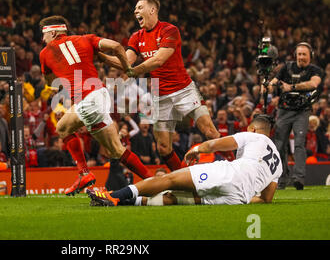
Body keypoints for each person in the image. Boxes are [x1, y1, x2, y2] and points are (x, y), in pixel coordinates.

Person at [98, 0, 220, 173]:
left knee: (210, 132)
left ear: (152, 10)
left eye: (139, 7)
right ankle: (185, 181)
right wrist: (101, 57)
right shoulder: (136, 37)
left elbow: (158, 60)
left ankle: (236, 168)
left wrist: (134, 71)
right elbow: (125, 61)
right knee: (163, 148)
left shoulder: (170, 30)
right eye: (135, 9)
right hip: (160, 96)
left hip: (184, 90)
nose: (135, 11)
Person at [39, 15, 153, 196]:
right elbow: (116, 46)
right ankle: (153, 181)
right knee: (116, 150)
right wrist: (128, 69)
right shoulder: (86, 38)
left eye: (43, 35)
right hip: (100, 94)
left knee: (62, 128)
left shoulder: (45, 53)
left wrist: (59, 84)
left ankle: (84, 173)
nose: (42, 39)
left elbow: (52, 82)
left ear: (52, 32)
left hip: (87, 100)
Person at [87, 115, 282, 206]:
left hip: (229, 175)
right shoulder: (278, 163)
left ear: (252, 128)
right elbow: (266, 199)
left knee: (171, 180)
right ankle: (121, 203)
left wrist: (197, 149)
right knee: (178, 200)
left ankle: (114, 195)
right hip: (238, 198)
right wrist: (244, 196)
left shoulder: (253, 136)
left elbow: (215, 144)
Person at [266, 42, 324, 190]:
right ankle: (281, 178)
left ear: (310, 56)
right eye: (299, 54)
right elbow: (275, 81)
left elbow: (314, 84)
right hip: (284, 110)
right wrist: (268, 85)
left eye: (304, 54)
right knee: (279, 145)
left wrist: (291, 87)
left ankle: (299, 178)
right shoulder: (287, 67)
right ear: (295, 55)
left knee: (299, 143)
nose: (301, 57)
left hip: (302, 111)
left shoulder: (315, 70)